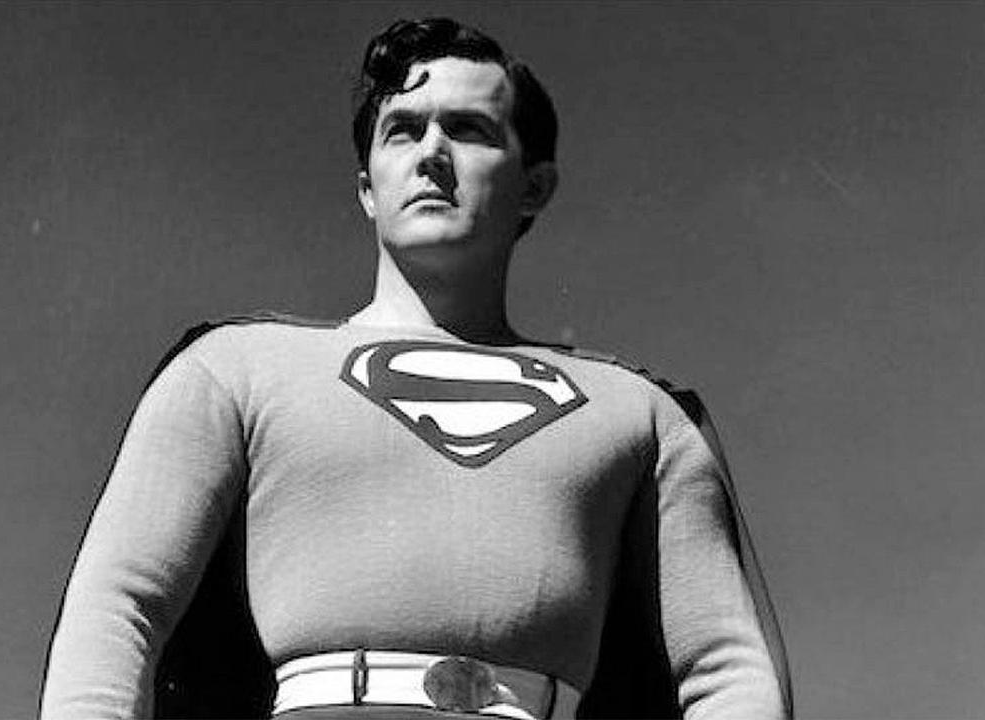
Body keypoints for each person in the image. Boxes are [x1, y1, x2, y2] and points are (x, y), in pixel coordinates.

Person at [40, 17, 793, 720]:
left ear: (534, 185)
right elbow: (119, 607)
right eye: (402, 130)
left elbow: (726, 668)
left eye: (467, 129)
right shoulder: (233, 370)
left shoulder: (639, 412)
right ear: (367, 187)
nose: (431, 153)